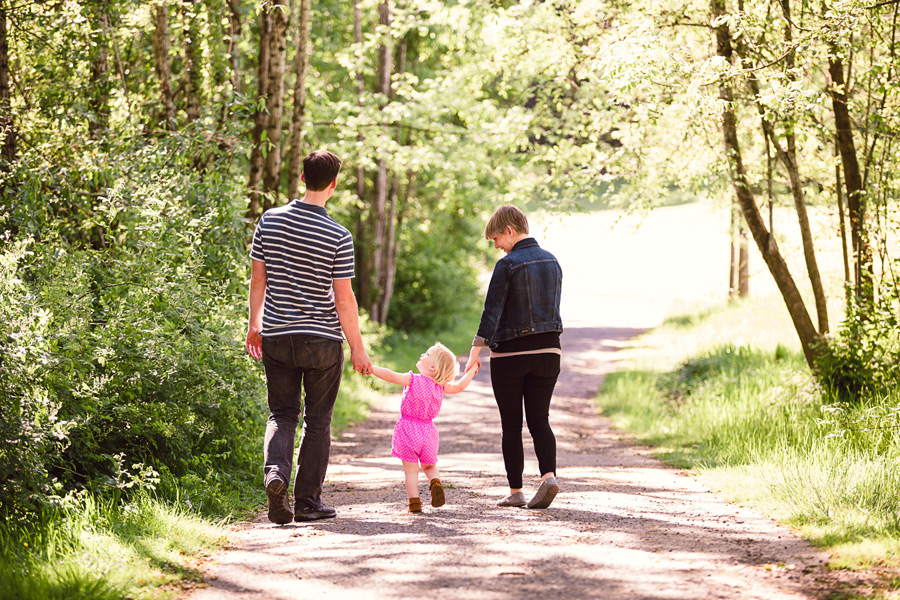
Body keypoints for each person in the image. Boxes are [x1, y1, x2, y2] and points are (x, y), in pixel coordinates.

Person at [246, 150, 372, 524]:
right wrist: (358, 348)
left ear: (302, 178)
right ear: (333, 185)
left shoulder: (269, 221)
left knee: (282, 413)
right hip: (322, 341)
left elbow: (258, 279)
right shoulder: (339, 234)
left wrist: (255, 324)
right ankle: (307, 502)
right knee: (318, 422)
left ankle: (275, 474)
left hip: (278, 335)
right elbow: (343, 298)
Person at [466, 205, 563, 509]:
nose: (495, 245)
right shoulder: (553, 261)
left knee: (512, 424)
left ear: (509, 230)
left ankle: (516, 491)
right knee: (540, 419)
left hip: (511, 354)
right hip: (549, 352)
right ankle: (549, 477)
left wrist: (475, 351)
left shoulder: (507, 265)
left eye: (495, 238)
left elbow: (492, 311)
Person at [367, 343, 478, 513]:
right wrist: (472, 369)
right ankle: (435, 481)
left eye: (426, 354)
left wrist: (370, 368)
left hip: (408, 429)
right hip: (429, 432)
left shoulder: (413, 379)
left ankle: (414, 503)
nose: (422, 355)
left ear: (433, 366)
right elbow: (459, 386)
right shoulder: (440, 386)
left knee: (411, 472)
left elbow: (390, 376)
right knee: (430, 466)